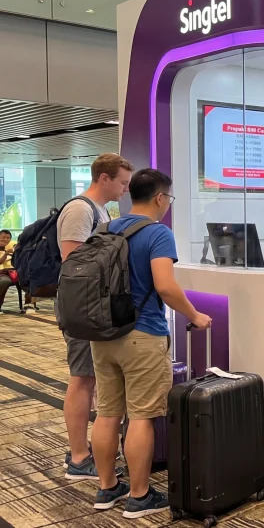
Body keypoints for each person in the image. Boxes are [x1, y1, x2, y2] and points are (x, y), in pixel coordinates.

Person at [90, 169, 212, 518]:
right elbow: (166, 286)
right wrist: (195, 314)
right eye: (168, 199)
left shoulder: (106, 228)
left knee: (108, 412)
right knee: (141, 417)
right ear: (160, 198)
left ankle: (108, 487)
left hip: (103, 334)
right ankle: (140, 496)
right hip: (142, 335)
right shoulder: (158, 233)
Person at [56, 153, 134, 480]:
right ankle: (77, 457)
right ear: (105, 178)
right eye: (122, 183)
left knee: (91, 378)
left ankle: (84, 451)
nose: (125, 190)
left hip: (93, 306)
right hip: (82, 308)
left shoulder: (100, 210)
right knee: (83, 378)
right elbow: (74, 263)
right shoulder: (79, 209)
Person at [0, 229, 13, 314]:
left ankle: (28, 304)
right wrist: (6, 254)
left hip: (12, 273)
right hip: (2, 273)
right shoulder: (6, 252)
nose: (5, 239)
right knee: (4, 281)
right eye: (3, 237)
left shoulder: (11, 249)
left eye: (8, 238)